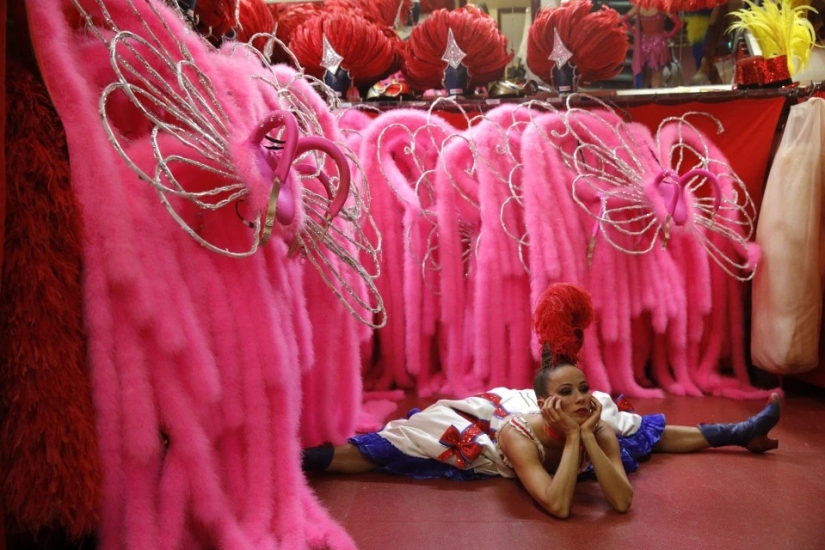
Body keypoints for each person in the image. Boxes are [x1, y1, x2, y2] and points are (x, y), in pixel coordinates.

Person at [302, 283, 781, 519]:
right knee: (402, 443)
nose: (581, 399)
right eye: (567, 393)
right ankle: (301, 460)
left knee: (636, 429)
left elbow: (621, 501)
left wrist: (589, 432)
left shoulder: (594, 418)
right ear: (545, 401)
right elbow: (558, 506)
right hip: (494, 435)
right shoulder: (518, 434)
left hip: (566, 433)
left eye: (583, 389)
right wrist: (574, 438)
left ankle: (736, 433)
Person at [623, 3, 684, 88]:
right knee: (657, 77)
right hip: (659, 44)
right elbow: (679, 24)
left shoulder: (639, 6)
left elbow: (624, 20)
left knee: (646, 77)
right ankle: (655, 95)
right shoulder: (662, 6)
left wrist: (636, 33)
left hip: (644, 45)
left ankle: (646, 94)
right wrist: (668, 35)